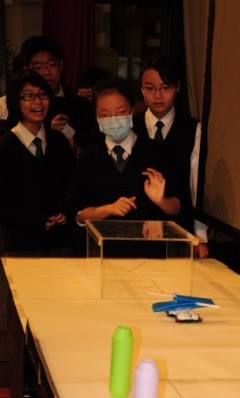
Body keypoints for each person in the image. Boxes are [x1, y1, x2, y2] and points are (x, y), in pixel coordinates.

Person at [67, 76, 182, 231]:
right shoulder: (88, 157)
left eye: (121, 112)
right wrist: (107, 209)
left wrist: (161, 200)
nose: (114, 120)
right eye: (105, 115)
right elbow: (78, 214)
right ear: (97, 117)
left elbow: (178, 207)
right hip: (100, 244)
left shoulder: (157, 152)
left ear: (132, 111)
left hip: (148, 243)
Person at [0, 70, 76, 255]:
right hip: (21, 244)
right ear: (16, 101)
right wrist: (34, 220)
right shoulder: (4, 147)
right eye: (29, 96)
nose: (38, 102)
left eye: (43, 95)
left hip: (61, 242)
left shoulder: (59, 141)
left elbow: (74, 184)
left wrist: (65, 211)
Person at [133, 53, 209, 256]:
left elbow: (195, 186)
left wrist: (200, 234)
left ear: (178, 87)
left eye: (165, 88)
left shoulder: (193, 129)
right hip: (135, 228)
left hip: (179, 226)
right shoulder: (130, 127)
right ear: (141, 88)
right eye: (150, 88)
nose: (158, 96)